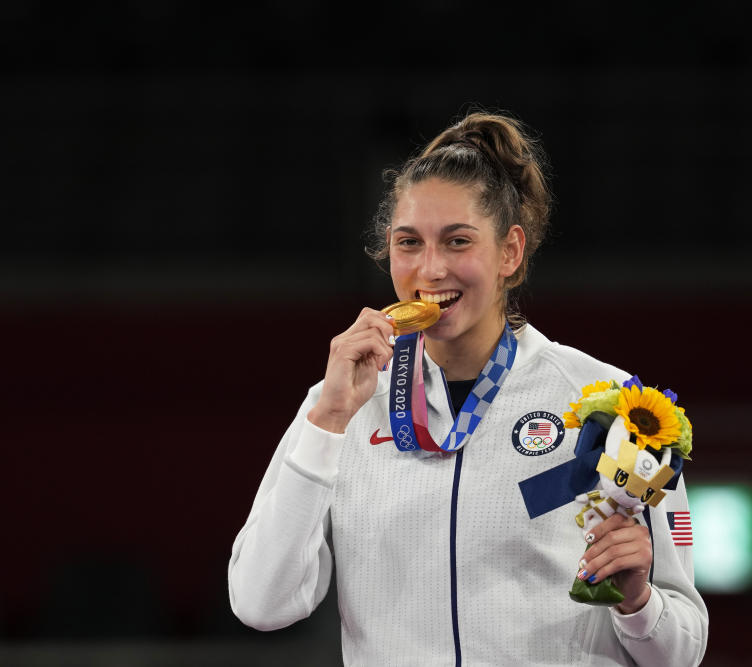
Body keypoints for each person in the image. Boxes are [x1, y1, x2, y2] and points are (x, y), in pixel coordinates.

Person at [228, 111, 708, 666]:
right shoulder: (341, 404)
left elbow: (683, 650)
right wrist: (329, 419)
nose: (430, 269)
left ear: (510, 252)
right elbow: (261, 603)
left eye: (457, 241)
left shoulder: (612, 401)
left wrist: (638, 604)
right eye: (409, 243)